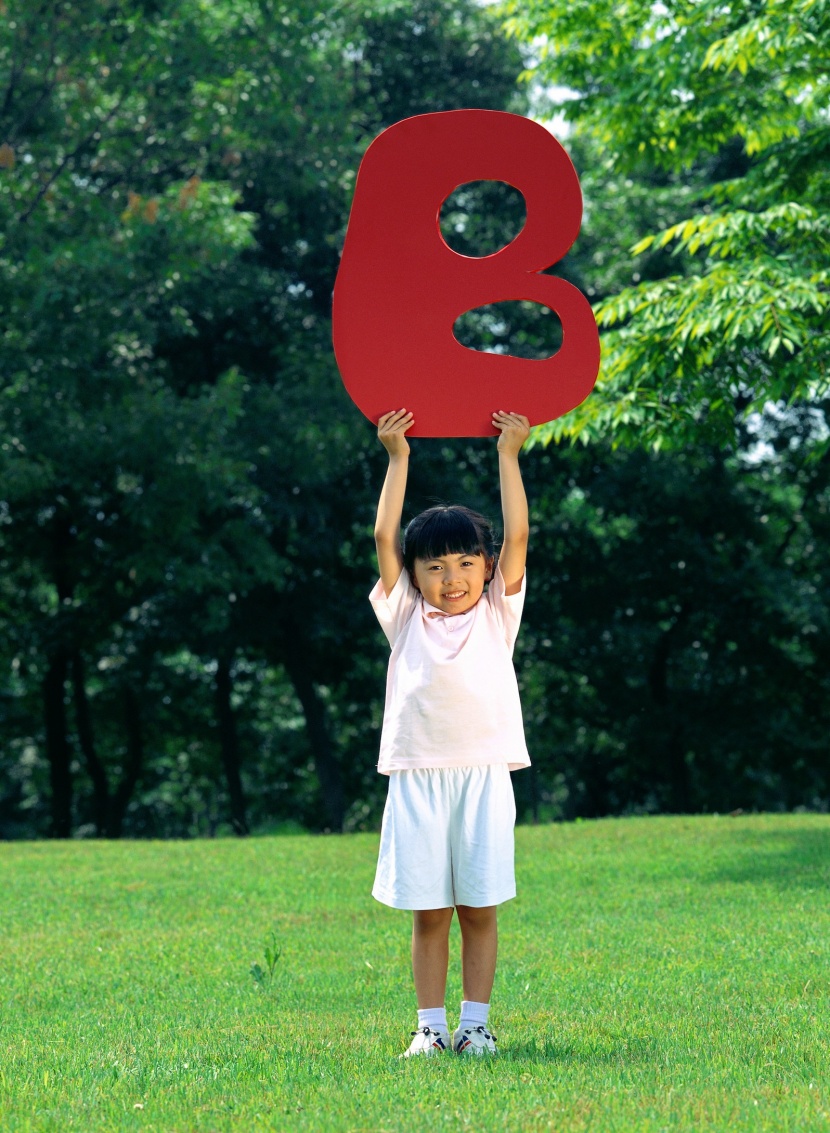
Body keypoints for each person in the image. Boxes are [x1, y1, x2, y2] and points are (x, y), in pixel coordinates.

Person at [370, 407, 532, 1057]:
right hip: (417, 776)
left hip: (483, 773)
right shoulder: (404, 614)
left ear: (487, 568)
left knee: (480, 907)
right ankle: (430, 1027)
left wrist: (509, 455)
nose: (452, 578)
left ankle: (477, 1025)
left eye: (466, 563)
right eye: (435, 567)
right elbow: (385, 537)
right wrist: (397, 457)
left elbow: (519, 536)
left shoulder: (497, 612)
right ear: (414, 575)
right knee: (429, 910)